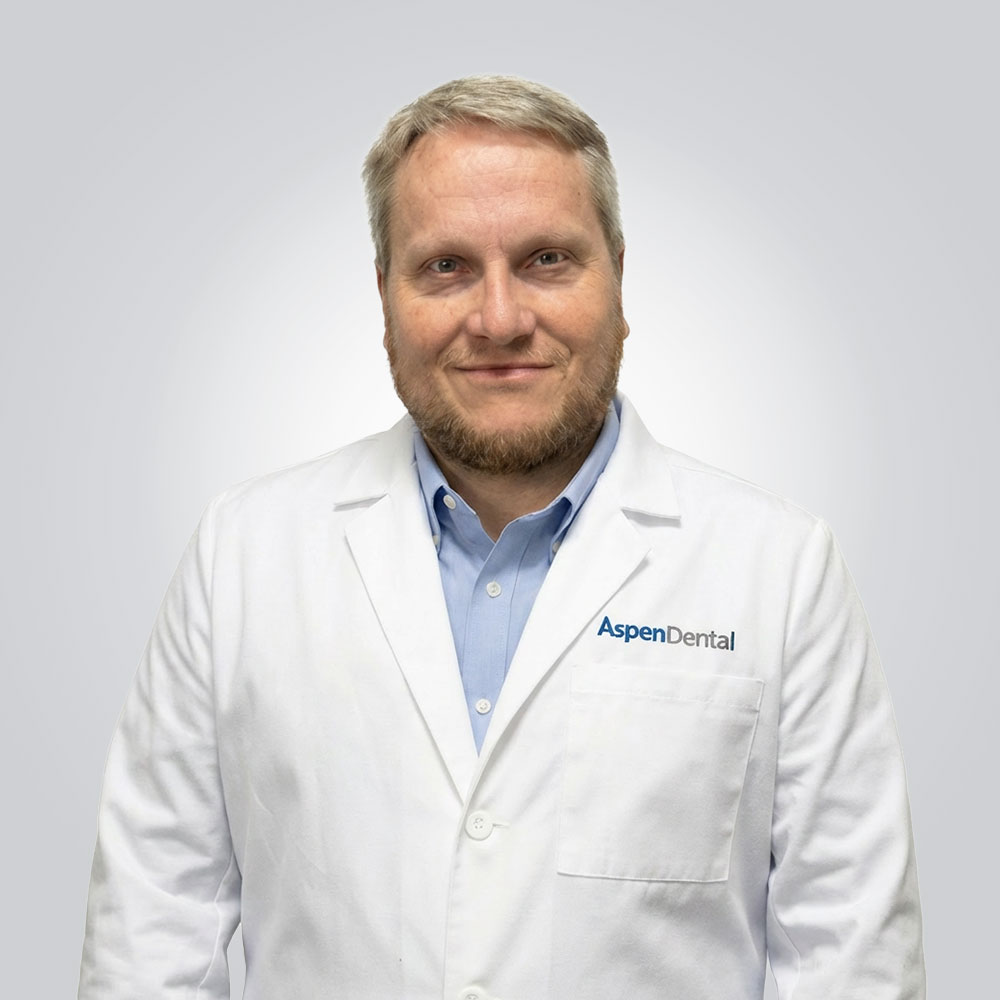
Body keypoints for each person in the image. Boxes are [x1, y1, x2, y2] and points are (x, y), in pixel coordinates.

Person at [79, 75, 925, 999]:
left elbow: (853, 962)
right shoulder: (243, 556)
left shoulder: (780, 571)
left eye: (547, 259)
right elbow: (151, 939)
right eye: (445, 266)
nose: (499, 319)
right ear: (384, 295)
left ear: (618, 277)